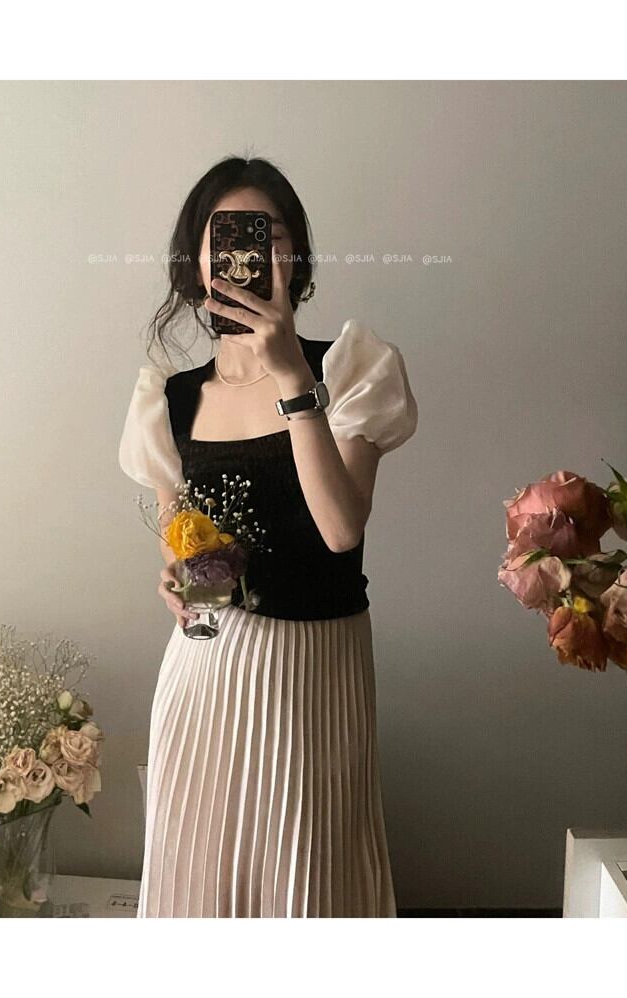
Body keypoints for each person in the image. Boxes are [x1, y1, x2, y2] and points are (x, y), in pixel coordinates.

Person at [118, 155, 418, 917]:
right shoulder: (169, 399)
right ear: (194, 265)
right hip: (206, 670)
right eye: (222, 239)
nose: (245, 256)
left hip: (315, 670)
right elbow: (186, 545)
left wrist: (291, 381)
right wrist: (176, 575)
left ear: (296, 257)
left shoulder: (350, 370)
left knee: (309, 880)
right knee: (202, 877)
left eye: (266, 235)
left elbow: (340, 529)